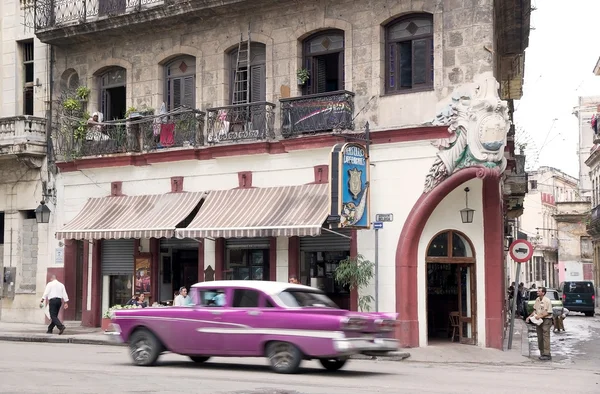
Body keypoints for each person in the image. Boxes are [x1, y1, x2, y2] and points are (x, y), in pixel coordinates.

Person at [526, 286, 553, 361]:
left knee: (545, 336)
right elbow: (535, 310)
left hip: (546, 320)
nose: (537, 292)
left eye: (539, 291)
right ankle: (542, 352)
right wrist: (529, 317)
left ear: (543, 293)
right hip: (539, 320)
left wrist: (540, 316)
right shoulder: (537, 300)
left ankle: (547, 353)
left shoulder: (547, 301)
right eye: (537, 291)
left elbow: (548, 312)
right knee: (540, 337)